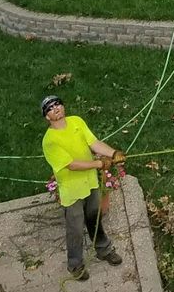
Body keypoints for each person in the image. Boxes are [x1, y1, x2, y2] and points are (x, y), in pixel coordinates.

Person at [40, 95, 125, 280]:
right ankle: (75, 265)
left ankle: (103, 250)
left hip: (90, 183)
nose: (55, 108)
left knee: (94, 218)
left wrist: (113, 153)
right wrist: (98, 165)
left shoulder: (77, 121)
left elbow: (93, 143)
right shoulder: (49, 141)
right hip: (72, 191)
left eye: (58, 104)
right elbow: (71, 165)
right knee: (75, 228)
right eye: (50, 108)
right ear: (47, 117)